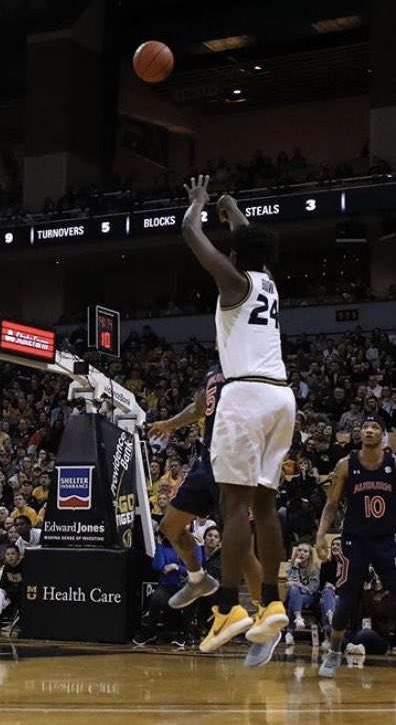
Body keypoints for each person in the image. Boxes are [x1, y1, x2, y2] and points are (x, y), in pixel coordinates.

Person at [181, 175, 296, 666]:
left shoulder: (234, 281)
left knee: (233, 505)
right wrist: (236, 210)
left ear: (237, 254)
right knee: (264, 505)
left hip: (245, 393)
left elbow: (191, 233)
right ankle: (271, 601)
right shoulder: (267, 281)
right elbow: (252, 245)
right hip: (282, 398)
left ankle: (228, 608)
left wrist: (201, 205)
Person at [149, 363, 261, 617]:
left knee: (242, 550)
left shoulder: (252, 366)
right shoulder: (213, 370)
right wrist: (171, 423)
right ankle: (198, 578)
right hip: (208, 459)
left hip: (235, 464)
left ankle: (265, 615)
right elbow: (201, 407)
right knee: (170, 526)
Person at [315, 414, 396, 677]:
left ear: (383, 436)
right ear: (359, 433)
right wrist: (320, 536)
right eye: (365, 427)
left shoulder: (393, 464)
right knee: (346, 600)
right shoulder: (345, 464)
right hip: (354, 541)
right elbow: (331, 505)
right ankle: (335, 651)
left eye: (375, 428)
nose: (369, 431)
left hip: (386, 540)